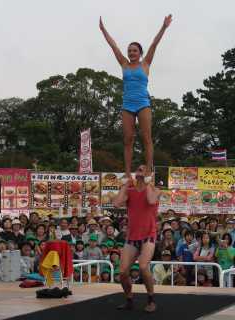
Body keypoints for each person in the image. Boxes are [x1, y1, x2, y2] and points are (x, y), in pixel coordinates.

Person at [99, 15, 172, 181]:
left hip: (143, 103)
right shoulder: (124, 64)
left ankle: (148, 169)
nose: (131, 53)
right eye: (129, 51)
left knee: (146, 137)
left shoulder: (145, 64)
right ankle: (126, 172)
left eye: (134, 51)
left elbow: (154, 43)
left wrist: (164, 27)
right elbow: (113, 46)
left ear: (140, 53)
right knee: (128, 139)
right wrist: (103, 30)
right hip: (127, 105)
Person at [113, 164, 161, 313]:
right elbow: (116, 203)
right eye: (138, 169)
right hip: (132, 237)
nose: (139, 170)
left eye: (143, 169)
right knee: (122, 272)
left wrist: (147, 183)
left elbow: (151, 201)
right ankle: (129, 299)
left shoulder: (155, 190)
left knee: (142, 266)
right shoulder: (130, 190)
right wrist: (126, 184)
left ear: (148, 174)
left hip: (148, 235)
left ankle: (151, 300)